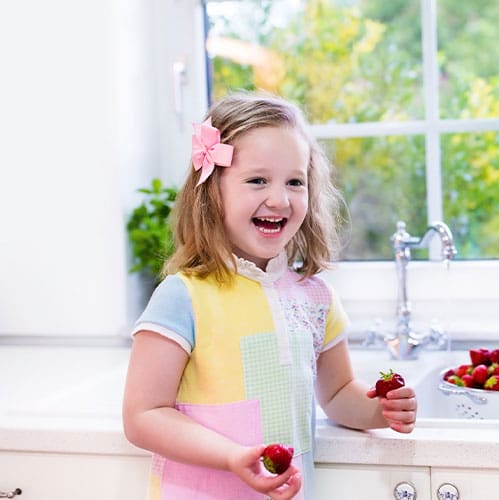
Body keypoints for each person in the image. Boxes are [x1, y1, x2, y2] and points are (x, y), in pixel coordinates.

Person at [123, 92, 417, 500]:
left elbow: (335, 393)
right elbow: (143, 416)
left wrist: (379, 411)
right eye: (257, 180)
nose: (279, 198)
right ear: (212, 191)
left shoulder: (316, 298)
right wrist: (231, 456)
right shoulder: (183, 296)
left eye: (294, 182)